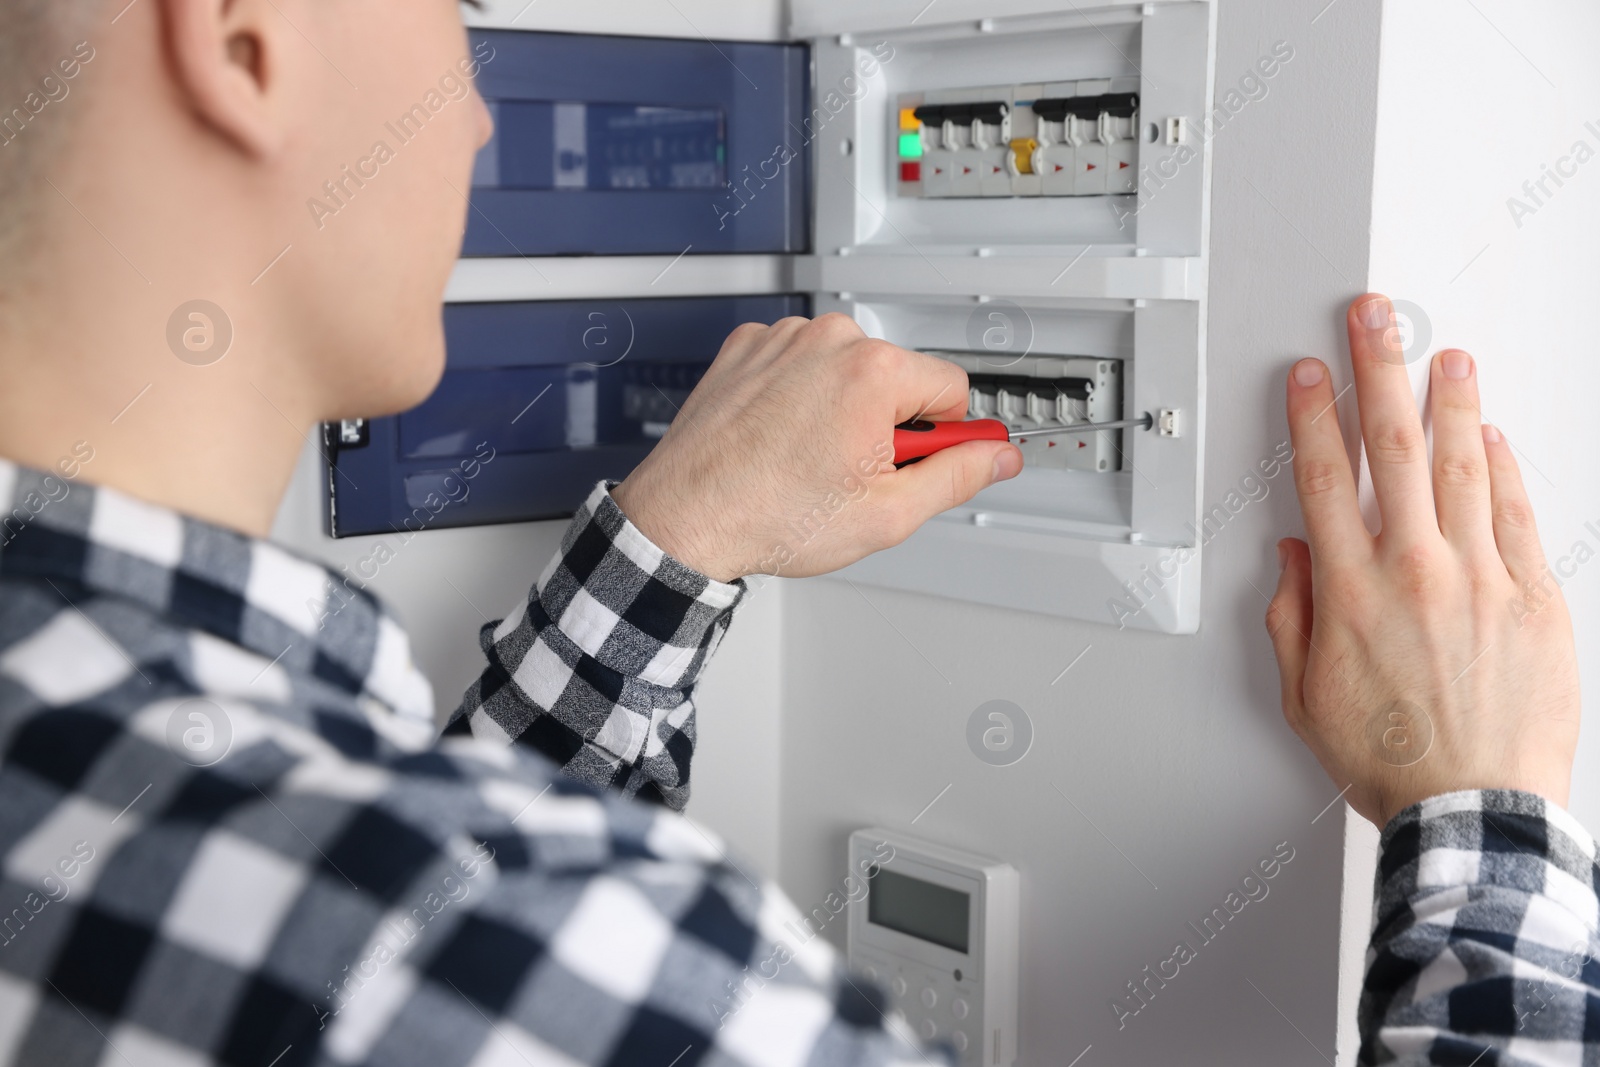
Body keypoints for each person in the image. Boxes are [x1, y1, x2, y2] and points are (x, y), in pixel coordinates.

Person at [0, 2, 1586, 1065]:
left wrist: (673, 544)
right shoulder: (553, 947)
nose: (482, 121)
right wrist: (1480, 808)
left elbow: (384, 888)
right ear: (241, 39)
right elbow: (450, 921)